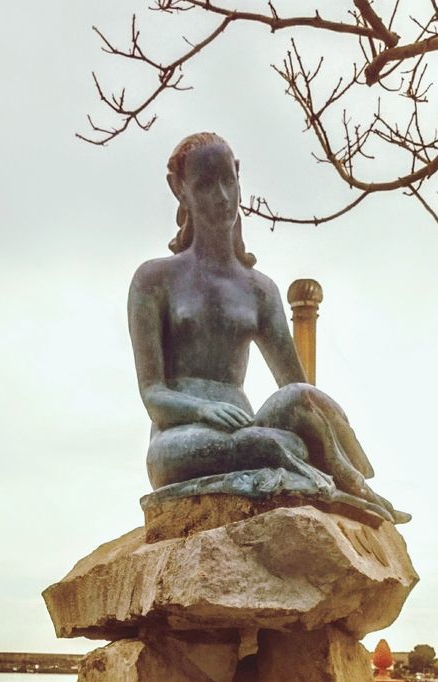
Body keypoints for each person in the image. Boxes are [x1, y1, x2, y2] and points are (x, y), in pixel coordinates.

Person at [128, 132, 405, 523]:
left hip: (248, 425)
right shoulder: (154, 280)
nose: (222, 197)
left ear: (238, 175)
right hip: (182, 438)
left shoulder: (260, 290)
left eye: (228, 181)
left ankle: (354, 482)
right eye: (206, 186)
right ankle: (313, 481)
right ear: (180, 190)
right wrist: (204, 409)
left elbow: (295, 388)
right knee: (265, 444)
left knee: (299, 403)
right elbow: (153, 393)